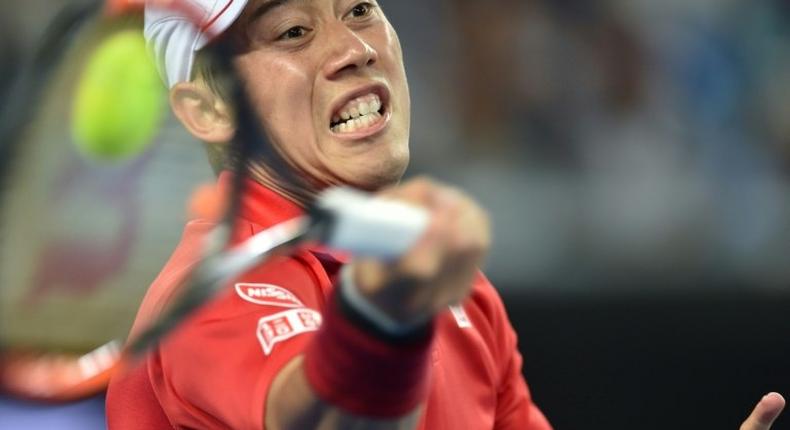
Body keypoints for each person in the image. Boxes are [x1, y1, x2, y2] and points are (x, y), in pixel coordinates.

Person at [106, 1, 785, 429]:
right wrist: (383, 319)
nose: (353, 48)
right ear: (208, 110)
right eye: (292, 30)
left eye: (361, 9)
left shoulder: (465, 299)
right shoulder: (209, 295)